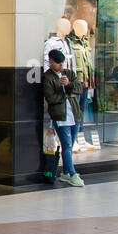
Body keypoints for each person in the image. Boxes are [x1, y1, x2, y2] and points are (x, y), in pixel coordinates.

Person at [42, 47, 83, 187]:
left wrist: (69, 85)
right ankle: (72, 174)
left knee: (69, 146)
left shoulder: (68, 73)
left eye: (62, 63)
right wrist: (66, 93)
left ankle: (66, 172)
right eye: (58, 63)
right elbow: (51, 98)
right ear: (51, 62)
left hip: (74, 115)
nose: (61, 66)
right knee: (66, 145)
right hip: (60, 117)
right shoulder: (48, 77)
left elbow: (79, 88)